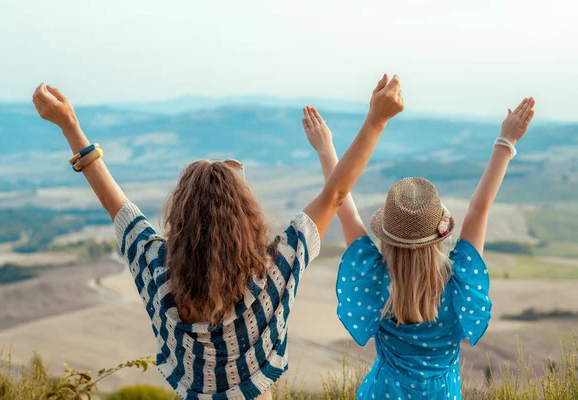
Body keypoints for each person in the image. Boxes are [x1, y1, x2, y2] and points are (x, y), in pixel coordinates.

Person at [31, 73, 404, 400]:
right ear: (246, 219)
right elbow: (336, 194)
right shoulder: (273, 272)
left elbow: (116, 204)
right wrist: (376, 121)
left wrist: (70, 126)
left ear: (179, 218)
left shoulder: (156, 270)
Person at [302, 98, 535, 399]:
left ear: (386, 237)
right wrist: (506, 141)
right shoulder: (459, 282)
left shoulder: (377, 283)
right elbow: (479, 209)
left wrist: (325, 149)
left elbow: (344, 207)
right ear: (440, 235)